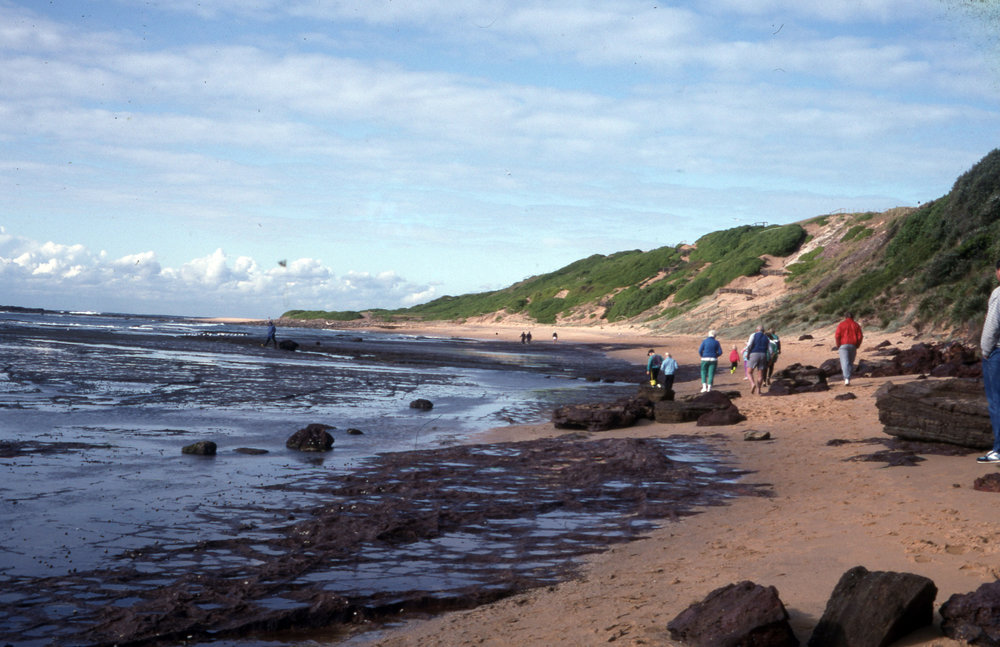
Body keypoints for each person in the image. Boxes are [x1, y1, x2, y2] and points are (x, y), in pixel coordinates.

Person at [979, 260, 1000, 463]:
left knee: (997, 401)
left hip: (998, 353)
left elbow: (992, 326)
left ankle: (999, 449)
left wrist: (986, 350)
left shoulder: (999, 293)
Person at [834, 313, 864, 386]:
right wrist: (857, 345)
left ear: (845, 317)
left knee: (845, 362)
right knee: (850, 362)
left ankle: (846, 378)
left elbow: (837, 335)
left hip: (843, 345)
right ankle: (848, 378)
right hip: (853, 345)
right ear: (853, 317)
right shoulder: (856, 325)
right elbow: (860, 336)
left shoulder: (841, 324)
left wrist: (838, 344)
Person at [744, 325, 771, 395]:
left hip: (754, 354)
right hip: (763, 355)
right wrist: (769, 358)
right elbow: (770, 350)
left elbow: (749, 345)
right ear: (763, 331)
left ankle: (752, 383)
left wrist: (748, 353)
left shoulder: (753, 335)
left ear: (756, 330)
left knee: (749, 372)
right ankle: (758, 390)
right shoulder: (766, 337)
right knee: (760, 375)